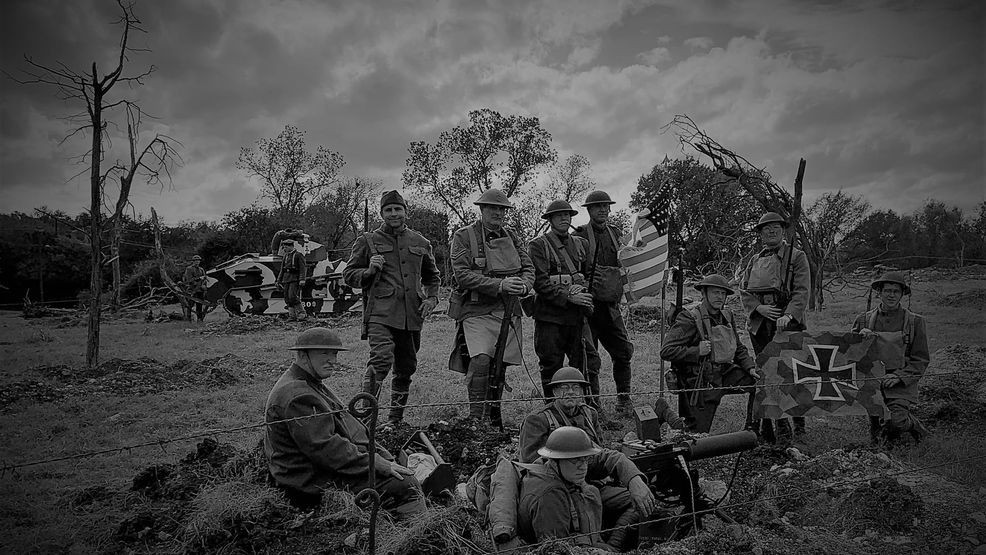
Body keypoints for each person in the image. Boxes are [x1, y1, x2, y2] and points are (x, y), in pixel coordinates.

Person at [264, 327, 426, 515]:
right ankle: (414, 527)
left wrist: (382, 457)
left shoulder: (309, 383)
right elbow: (327, 449)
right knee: (406, 484)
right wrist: (377, 463)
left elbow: (347, 429)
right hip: (307, 480)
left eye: (334, 354)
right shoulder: (297, 395)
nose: (332, 360)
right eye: (324, 353)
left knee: (398, 470)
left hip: (317, 467)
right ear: (302, 355)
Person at [343, 190, 441, 429]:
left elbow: (432, 276)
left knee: (406, 367)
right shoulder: (367, 241)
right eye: (388, 210)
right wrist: (368, 271)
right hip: (380, 313)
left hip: (411, 314)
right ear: (382, 213)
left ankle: (395, 421)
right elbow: (349, 274)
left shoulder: (421, 242)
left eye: (398, 209)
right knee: (381, 359)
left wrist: (432, 298)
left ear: (406, 211)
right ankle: (366, 421)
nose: (394, 214)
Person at [448, 189, 534, 426]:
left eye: (502, 209)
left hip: (508, 309)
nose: (498, 212)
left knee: (500, 364)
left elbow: (528, 267)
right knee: (481, 359)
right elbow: (462, 275)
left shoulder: (512, 236)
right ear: (482, 209)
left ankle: (494, 417)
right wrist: (500, 285)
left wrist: (524, 286)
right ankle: (476, 417)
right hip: (476, 310)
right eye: (493, 208)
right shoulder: (464, 236)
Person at [517, 426, 653, 552]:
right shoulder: (550, 495)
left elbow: (608, 457)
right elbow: (559, 549)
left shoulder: (562, 467)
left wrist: (633, 479)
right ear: (554, 460)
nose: (582, 467)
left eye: (585, 459)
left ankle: (614, 546)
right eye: (575, 461)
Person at [740, 211, 810, 444]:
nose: (771, 231)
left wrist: (788, 314)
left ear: (783, 230)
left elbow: (802, 290)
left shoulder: (797, 256)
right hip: (760, 324)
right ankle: (774, 424)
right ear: (760, 234)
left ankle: (799, 425)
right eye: (766, 228)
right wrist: (758, 308)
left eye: (775, 227)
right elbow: (743, 289)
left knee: (791, 373)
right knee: (767, 373)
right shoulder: (754, 260)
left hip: (787, 323)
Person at [660, 274, 759, 433]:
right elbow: (666, 351)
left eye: (723, 293)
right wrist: (697, 351)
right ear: (704, 293)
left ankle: (751, 430)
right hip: (699, 381)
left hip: (724, 373)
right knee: (695, 435)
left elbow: (738, 347)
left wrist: (749, 367)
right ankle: (664, 411)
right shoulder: (689, 317)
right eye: (715, 292)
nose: (720, 297)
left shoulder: (727, 315)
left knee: (758, 383)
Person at [529, 199, 602, 406]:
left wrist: (583, 290)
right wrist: (569, 296)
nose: (564, 218)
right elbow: (539, 282)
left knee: (587, 363)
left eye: (567, 215)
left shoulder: (581, 244)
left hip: (577, 317)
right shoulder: (538, 245)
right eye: (559, 215)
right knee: (551, 364)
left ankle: (589, 408)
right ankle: (552, 410)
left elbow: (592, 274)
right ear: (550, 219)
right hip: (549, 317)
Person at [574, 191, 635, 414]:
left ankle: (624, 399)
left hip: (610, 307)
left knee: (623, 352)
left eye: (605, 206)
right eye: (597, 206)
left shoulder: (616, 234)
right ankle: (593, 406)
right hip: (588, 308)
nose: (602, 210)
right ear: (589, 210)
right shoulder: (579, 235)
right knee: (590, 359)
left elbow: (628, 259)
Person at [850, 271, 930, 444]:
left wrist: (899, 376)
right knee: (878, 434)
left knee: (896, 421)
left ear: (902, 294)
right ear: (879, 292)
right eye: (887, 290)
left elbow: (921, 359)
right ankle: (883, 443)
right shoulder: (863, 320)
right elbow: (849, 355)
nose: (891, 295)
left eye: (896, 291)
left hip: (900, 383)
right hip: (872, 381)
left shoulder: (915, 322)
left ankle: (915, 426)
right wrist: (859, 340)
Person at [276, 238, 307, 320]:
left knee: (292, 296)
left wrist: (302, 279)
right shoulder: (285, 256)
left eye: (286, 247)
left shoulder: (298, 255)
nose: (284, 249)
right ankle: (292, 315)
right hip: (286, 279)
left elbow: (302, 268)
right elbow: (282, 269)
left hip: (294, 278)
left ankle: (301, 313)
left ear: (291, 246)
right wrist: (278, 280)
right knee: (287, 297)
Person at [181, 254, 208, 322]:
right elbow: (189, 280)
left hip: (200, 290)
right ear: (193, 261)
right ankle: (188, 319)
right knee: (190, 305)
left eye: (198, 260)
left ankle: (199, 319)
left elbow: (205, 279)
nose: (197, 262)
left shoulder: (201, 269)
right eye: (195, 260)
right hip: (192, 289)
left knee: (199, 305)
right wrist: (198, 280)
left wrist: (203, 284)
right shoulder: (189, 269)